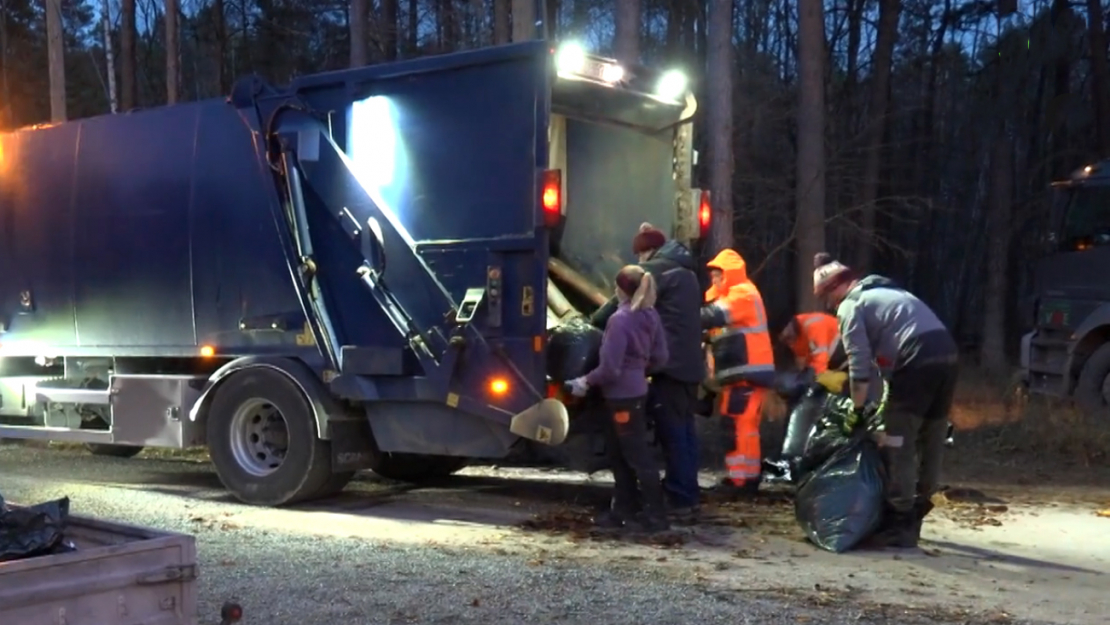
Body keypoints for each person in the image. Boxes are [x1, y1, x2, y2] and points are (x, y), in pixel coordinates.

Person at [812, 253, 959, 548]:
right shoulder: (888, 293)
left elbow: (858, 361)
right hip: (948, 353)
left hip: (916, 356)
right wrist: (880, 402)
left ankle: (899, 520)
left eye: (827, 298)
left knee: (896, 439)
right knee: (933, 432)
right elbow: (886, 361)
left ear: (836, 287)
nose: (829, 306)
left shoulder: (852, 304)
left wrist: (856, 407)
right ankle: (920, 506)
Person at [590, 223, 705, 522]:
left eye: (639, 254)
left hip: (671, 366)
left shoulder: (656, 270)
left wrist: (595, 321)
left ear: (647, 251)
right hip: (691, 364)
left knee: (671, 434)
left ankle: (675, 499)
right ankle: (688, 493)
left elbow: (622, 299)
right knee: (685, 431)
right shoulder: (687, 273)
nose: (640, 261)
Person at [569, 265, 671, 532]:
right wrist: (638, 370)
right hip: (637, 392)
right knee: (623, 454)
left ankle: (655, 516)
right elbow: (661, 357)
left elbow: (610, 368)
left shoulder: (620, 319)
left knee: (635, 457)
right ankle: (624, 511)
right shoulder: (650, 315)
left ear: (621, 289)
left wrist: (584, 381)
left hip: (619, 397)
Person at [700, 249, 776, 496]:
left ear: (729, 274)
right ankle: (746, 477)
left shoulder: (742, 294)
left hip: (747, 373)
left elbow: (714, 316)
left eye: (717, 275)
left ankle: (740, 481)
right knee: (744, 425)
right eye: (712, 276)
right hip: (746, 374)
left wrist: (684, 316)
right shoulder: (741, 294)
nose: (714, 280)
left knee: (737, 424)